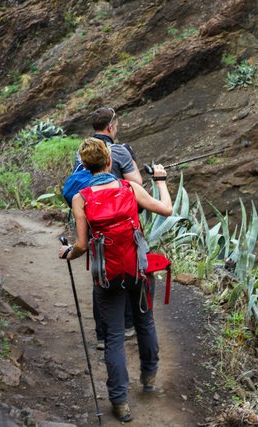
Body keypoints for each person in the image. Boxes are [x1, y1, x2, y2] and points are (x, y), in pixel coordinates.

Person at [59, 137, 172, 422]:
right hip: (138, 269)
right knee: (145, 321)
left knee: (113, 338)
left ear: (84, 166)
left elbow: (82, 246)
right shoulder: (129, 188)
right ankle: (148, 378)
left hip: (107, 276)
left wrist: (67, 252)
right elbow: (167, 210)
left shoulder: (80, 198)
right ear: (110, 162)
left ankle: (120, 402)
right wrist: (160, 180)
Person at [82, 107, 142, 350]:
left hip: (93, 223)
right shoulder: (119, 152)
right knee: (125, 272)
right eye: (116, 124)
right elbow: (136, 183)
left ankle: (102, 335)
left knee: (101, 276)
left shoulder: (83, 152)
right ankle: (127, 325)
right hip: (120, 222)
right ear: (110, 127)